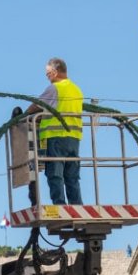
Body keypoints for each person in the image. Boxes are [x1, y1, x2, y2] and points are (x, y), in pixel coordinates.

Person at [25, 57, 83, 205]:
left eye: (47, 73)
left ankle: (60, 205)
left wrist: (23, 116)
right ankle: (77, 206)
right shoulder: (76, 89)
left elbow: (36, 106)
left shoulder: (55, 88)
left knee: (55, 174)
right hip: (74, 138)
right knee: (72, 175)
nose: (47, 77)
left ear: (54, 72)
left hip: (56, 137)